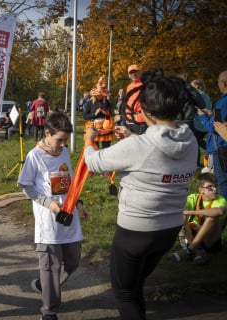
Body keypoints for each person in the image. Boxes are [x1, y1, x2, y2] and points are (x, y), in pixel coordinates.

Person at [83, 73, 198, 320]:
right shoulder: (189, 140)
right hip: (169, 229)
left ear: (143, 110)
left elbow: (93, 162)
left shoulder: (138, 147)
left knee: (124, 292)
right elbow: (158, 152)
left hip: (135, 232)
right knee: (134, 287)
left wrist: (88, 141)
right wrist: (134, 139)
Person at [17, 111, 90, 320]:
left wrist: (79, 204)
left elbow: (68, 184)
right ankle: (49, 312)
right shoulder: (35, 156)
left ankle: (45, 284)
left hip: (69, 220)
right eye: (59, 139)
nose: (62, 144)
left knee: (74, 261)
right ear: (47, 133)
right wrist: (48, 204)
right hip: (48, 224)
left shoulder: (64, 152)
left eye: (65, 140)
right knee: (52, 267)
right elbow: (25, 186)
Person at [172, 173, 227, 265]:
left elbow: (220, 211)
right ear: (201, 190)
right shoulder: (193, 198)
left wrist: (192, 212)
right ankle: (197, 251)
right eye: (210, 187)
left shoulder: (220, 200)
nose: (215, 189)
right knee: (182, 216)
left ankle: (189, 251)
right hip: (191, 236)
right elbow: (180, 209)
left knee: (213, 217)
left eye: (216, 186)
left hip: (210, 240)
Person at [198, 70, 227, 200]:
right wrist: (212, 115)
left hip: (221, 148)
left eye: (218, 82)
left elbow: (214, 127)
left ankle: (222, 216)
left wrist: (203, 116)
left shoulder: (223, 102)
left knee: (222, 184)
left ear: (223, 84)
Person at [83, 75, 114, 150]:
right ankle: (95, 160)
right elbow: (85, 116)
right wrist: (94, 114)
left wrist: (105, 112)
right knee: (94, 147)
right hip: (93, 126)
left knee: (106, 148)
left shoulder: (107, 102)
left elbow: (110, 114)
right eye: (98, 94)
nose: (100, 96)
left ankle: (104, 161)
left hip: (105, 127)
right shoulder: (90, 103)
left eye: (101, 94)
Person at [122, 64, 147, 135]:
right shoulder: (129, 87)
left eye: (135, 71)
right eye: (131, 72)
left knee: (140, 142)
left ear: (139, 72)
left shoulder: (145, 85)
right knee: (129, 143)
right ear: (129, 75)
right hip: (129, 118)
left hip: (140, 119)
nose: (134, 74)